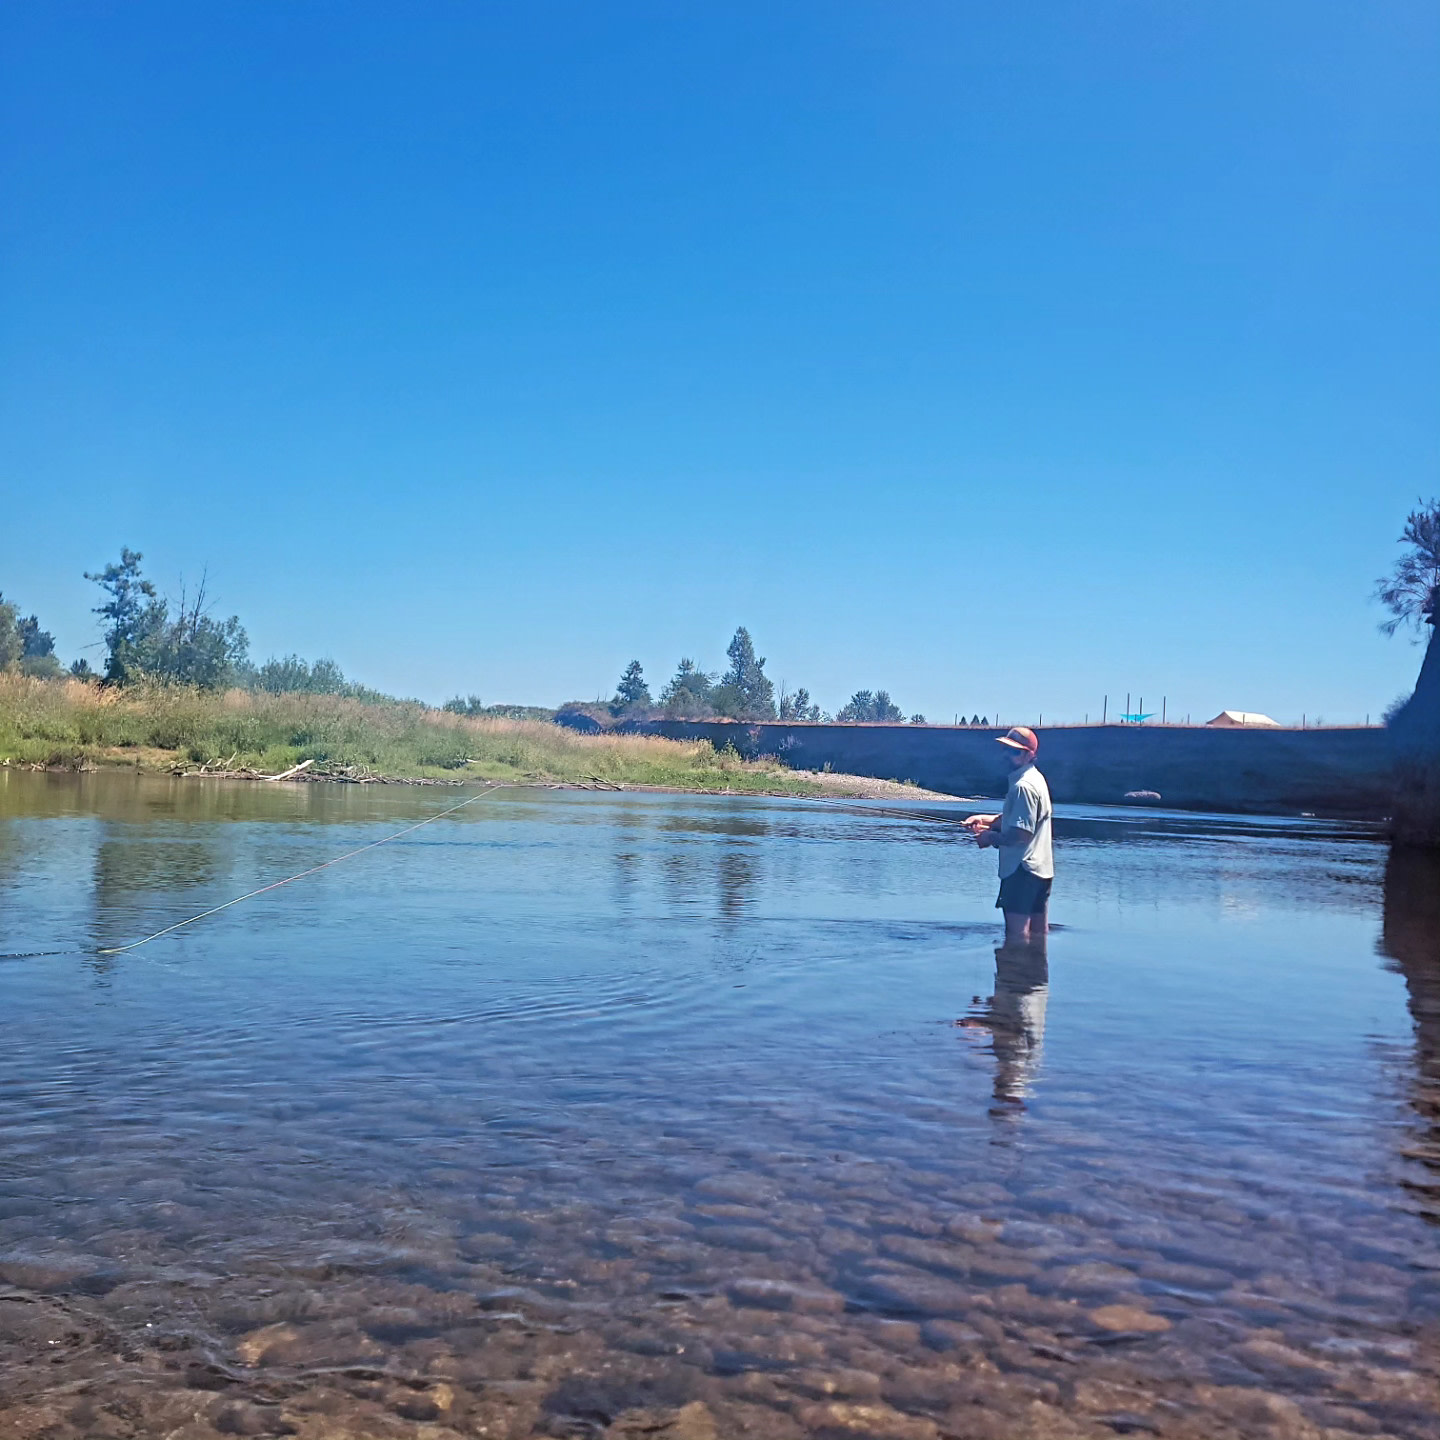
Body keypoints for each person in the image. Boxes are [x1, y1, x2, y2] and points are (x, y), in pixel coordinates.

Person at [962, 726, 1053, 944]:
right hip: (1041, 872)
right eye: (1006, 749)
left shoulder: (1023, 787)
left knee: (1016, 938)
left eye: (1015, 751)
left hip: (1020, 872)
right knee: (1039, 936)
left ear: (1030, 755)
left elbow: (1020, 834)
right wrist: (984, 820)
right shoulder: (1036, 780)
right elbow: (1018, 818)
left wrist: (989, 838)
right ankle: (1036, 977)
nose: (1007, 754)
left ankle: (1014, 976)